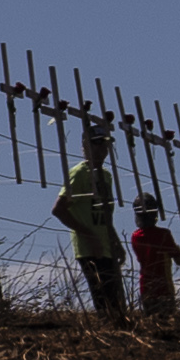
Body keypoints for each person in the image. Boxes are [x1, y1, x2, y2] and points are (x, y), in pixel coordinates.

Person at [54, 123, 126, 316]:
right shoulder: (78, 174)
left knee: (116, 298)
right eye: (96, 144)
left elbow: (106, 214)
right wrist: (89, 235)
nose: (102, 149)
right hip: (89, 247)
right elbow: (59, 209)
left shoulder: (106, 176)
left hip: (106, 244)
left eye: (105, 144)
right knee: (104, 297)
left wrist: (116, 241)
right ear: (85, 146)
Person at [129, 194, 180, 316]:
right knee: (168, 319)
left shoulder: (135, 236)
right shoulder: (164, 234)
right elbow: (179, 260)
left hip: (145, 287)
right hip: (164, 287)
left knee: (151, 320)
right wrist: (178, 250)